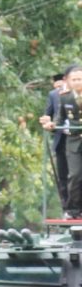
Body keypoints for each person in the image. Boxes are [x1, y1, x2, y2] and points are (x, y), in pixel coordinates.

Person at [41, 65, 82, 218]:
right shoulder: (64, 97)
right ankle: (73, 209)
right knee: (75, 175)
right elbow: (59, 119)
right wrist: (50, 125)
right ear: (69, 81)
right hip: (73, 140)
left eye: (80, 79)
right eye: (75, 79)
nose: (78, 82)